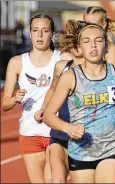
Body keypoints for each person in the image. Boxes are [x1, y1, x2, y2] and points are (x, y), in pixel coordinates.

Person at [43, 21, 115, 183]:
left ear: (106, 46)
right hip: (81, 150)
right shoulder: (70, 77)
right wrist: (66, 127)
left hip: (111, 148)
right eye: (87, 41)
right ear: (79, 48)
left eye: (98, 41)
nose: (93, 46)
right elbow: (48, 115)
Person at [1, 14, 68, 183]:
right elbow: (5, 104)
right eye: (35, 31)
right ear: (29, 34)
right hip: (30, 132)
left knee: (55, 180)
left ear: (52, 34)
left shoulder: (63, 59)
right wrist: (15, 98)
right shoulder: (17, 62)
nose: (39, 35)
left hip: (57, 131)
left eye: (45, 31)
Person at [33, 20, 85, 183]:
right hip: (61, 133)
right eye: (73, 41)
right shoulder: (61, 67)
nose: (76, 46)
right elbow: (53, 89)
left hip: (87, 134)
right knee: (57, 179)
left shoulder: (101, 72)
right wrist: (44, 108)